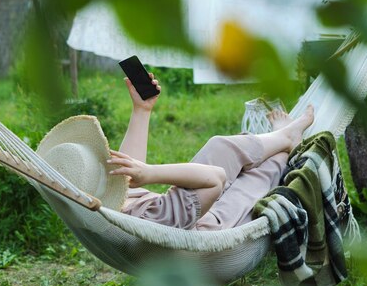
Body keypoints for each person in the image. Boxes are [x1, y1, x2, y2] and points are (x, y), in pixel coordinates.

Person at [107, 73, 314, 231]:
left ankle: (284, 137)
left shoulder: (116, 202)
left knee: (220, 147)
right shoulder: (152, 221)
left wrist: (142, 109)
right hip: (208, 228)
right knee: (256, 177)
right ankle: (286, 140)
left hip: (186, 204)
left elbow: (126, 177)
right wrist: (149, 173)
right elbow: (216, 177)